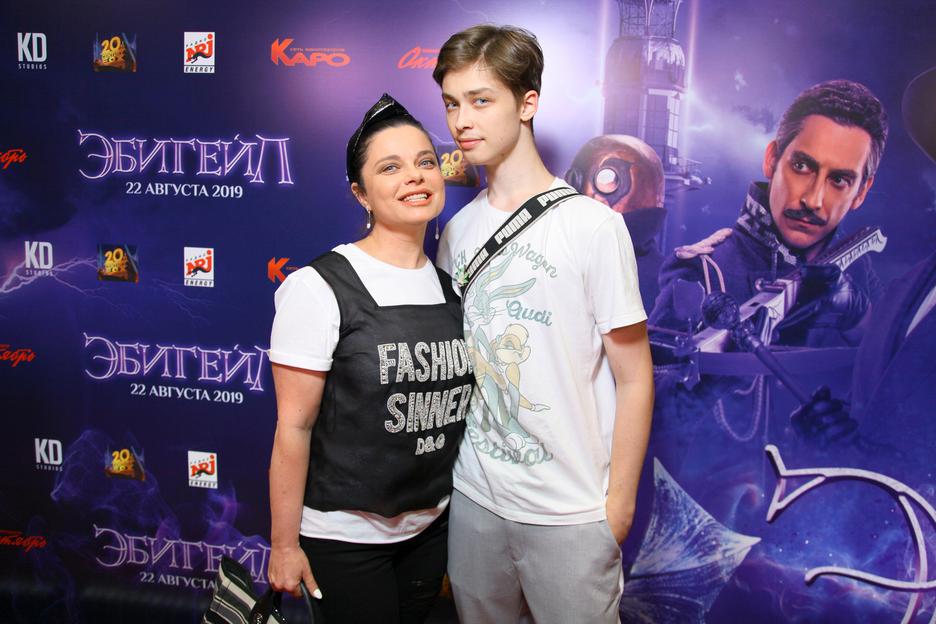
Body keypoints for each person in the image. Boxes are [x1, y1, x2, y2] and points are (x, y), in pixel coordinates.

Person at [432, 25, 654, 623]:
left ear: (527, 103)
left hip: (570, 512)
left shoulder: (594, 227)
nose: (462, 121)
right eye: (452, 104)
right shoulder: (456, 232)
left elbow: (635, 376)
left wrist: (617, 507)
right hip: (475, 501)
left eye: (481, 100)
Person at [265, 94, 473, 623]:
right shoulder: (318, 288)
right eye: (390, 167)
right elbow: (294, 427)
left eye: (425, 161)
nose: (415, 176)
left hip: (430, 531)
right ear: (361, 193)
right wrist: (284, 545)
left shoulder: (450, 287)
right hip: (346, 541)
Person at [650, 80, 888, 348]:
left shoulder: (858, 270)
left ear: (861, 192)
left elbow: (898, 362)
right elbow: (658, 370)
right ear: (772, 159)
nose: (813, 200)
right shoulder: (703, 272)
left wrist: (859, 320)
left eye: (839, 180)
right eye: (801, 166)